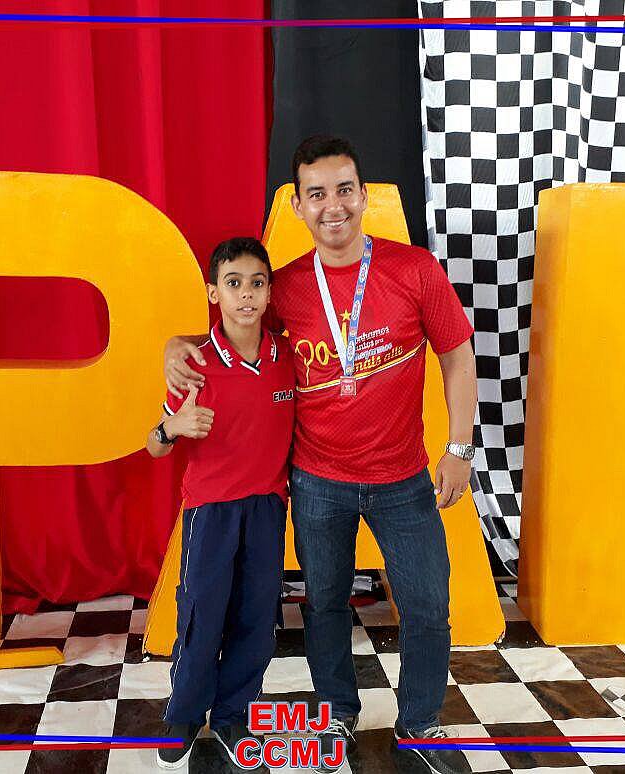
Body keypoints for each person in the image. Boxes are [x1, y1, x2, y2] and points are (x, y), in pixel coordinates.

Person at [163, 135, 478, 774]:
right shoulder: (284, 287)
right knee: (325, 604)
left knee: (428, 607)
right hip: (316, 480)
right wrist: (177, 342)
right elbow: (235, 328)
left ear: (363, 196)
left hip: (403, 478)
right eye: (317, 194)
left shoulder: (415, 269)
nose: (333, 206)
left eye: (344, 190)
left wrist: (460, 447)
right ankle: (338, 709)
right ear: (299, 206)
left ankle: (421, 722)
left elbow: (457, 356)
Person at [147, 237, 295, 770]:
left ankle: (234, 713)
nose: (246, 295)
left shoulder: (287, 357)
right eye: (234, 284)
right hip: (210, 511)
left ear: (270, 292)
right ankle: (185, 712)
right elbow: (154, 445)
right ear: (215, 293)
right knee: (201, 614)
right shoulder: (194, 364)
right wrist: (172, 427)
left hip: (268, 507)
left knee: (256, 616)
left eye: (257, 283)